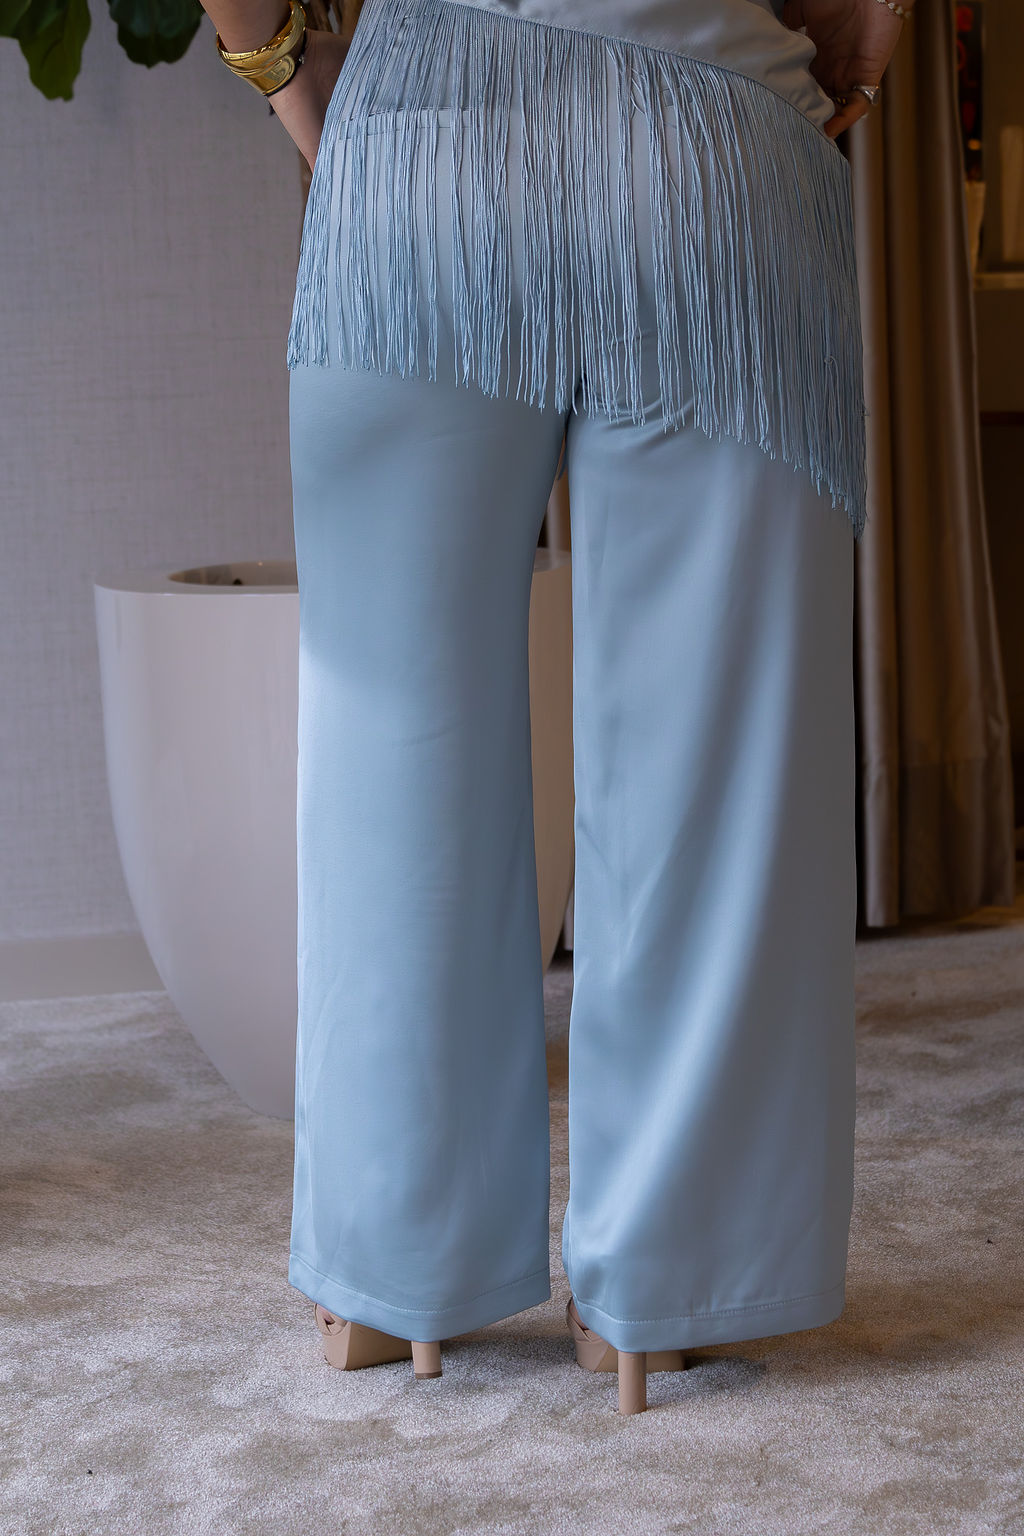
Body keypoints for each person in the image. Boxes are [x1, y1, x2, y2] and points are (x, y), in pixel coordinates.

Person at [202, 0, 910, 1414]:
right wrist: (858, 43)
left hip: (424, 137)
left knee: (393, 736)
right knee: (709, 758)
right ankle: (670, 1284)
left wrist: (283, 70)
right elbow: (864, 25)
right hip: (717, 132)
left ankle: (390, 1277)